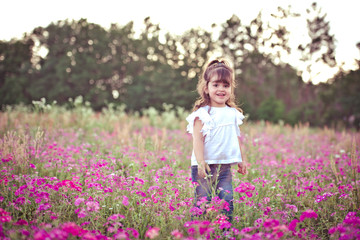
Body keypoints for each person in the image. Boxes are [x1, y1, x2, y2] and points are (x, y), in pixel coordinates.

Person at [186, 58, 248, 222]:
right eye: (216, 85)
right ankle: (198, 230)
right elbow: (198, 140)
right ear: (206, 88)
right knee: (202, 202)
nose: (221, 89)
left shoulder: (232, 112)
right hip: (203, 167)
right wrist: (200, 162)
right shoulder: (203, 113)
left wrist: (241, 159)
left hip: (224, 167)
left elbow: (235, 137)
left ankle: (224, 231)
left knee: (227, 200)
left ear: (231, 89)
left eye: (226, 85)